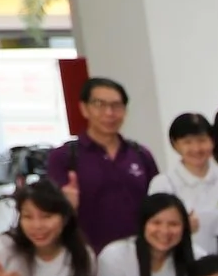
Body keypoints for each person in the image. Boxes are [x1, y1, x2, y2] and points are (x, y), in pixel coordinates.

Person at [48, 76, 161, 255]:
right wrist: (66, 205)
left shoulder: (140, 154)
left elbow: (157, 205)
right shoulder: (63, 157)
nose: (109, 113)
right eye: (99, 104)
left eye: (116, 106)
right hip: (88, 256)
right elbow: (50, 214)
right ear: (84, 109)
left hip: (140, 254)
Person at [152, 112, 218, 263]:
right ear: (175, 145)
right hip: (178, 263)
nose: (196, 149)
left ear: (212, 141)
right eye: (187, 142)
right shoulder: (163, 183)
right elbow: (155, 231)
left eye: (202, 141)